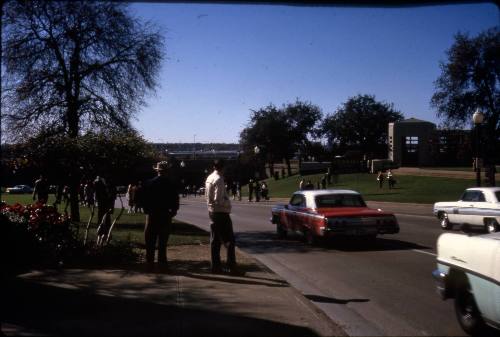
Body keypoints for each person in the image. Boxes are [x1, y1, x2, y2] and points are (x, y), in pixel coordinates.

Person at [140, 161, 179, 270]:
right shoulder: (171, 184)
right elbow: (175, 200)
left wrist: (146, 210)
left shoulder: (149, 183)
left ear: (157, 171)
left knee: (150, 240)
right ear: (167, 171)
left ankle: (149, 262)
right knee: (162, 241)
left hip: (152, 214)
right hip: (165, 214)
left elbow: (143, 199)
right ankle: (162, 263)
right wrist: (173, 211)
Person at [205, 159, 240, 275]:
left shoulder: (209, 177)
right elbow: (218, 199)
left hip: (212, 211)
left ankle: (215, 266)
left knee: (215, 240)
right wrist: (227, 202)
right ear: (223, 168)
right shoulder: (219, 179)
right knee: (229, 240)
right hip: (221, 212)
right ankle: (232, 267)